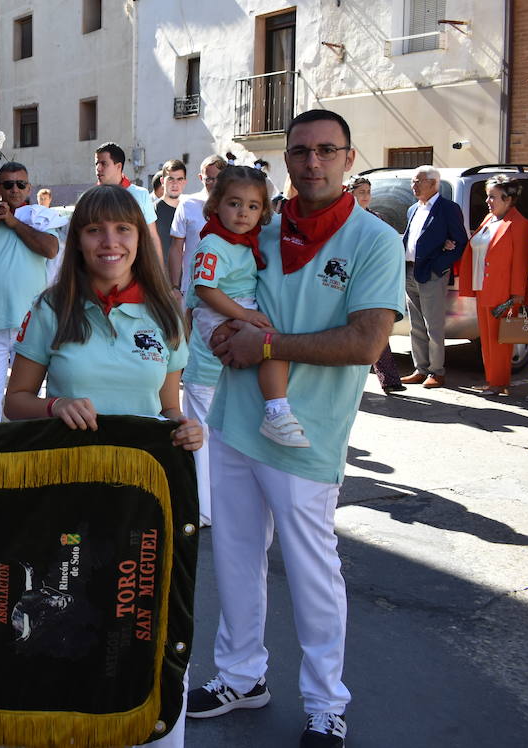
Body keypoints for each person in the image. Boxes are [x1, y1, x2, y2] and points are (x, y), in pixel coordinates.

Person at [186, 109, 403, 748]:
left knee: (313, 571)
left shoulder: (373, 240)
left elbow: (366, 342)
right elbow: (220, 296)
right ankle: (241, 675)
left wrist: (267, 345)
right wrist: (227, 336)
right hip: (233, 419)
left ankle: (325, 703)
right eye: (301, 151)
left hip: (304, 435)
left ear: (349, 157)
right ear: (286, 159)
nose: (313, 162)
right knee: (235, 559)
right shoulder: (264, 227)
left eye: (326, 151)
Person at [4, 183, 203, 748]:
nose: (109, 242)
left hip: (144, 499)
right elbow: (13, 401)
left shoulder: (166, 313)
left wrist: (185, 428)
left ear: (141, 239)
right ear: (78, 239)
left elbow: (168, 406)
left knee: (146, 623)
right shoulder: (53, 307)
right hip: (69, 497)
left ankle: (154, 733)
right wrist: (54, 405)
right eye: (95, 230)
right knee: (69, 626)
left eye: (123, 230)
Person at [188, 166, 307, 447]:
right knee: (271, 345)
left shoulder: (244, 243)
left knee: (273, 347)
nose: (243, 212)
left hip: (232, 317)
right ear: (216, 204)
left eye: (253, 206)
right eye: (234, 203)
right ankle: (277, 412)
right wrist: (244, 315)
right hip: (219, 317)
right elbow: (205, 289)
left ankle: (277, 410)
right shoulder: (214, 244)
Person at [0, 162, 60, 422]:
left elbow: (51, 249)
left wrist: (13, 222)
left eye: (20, 184)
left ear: (29, 188)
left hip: (30, 327)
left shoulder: (39, 217)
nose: (14, 189)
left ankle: (22, 455)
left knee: (27, 399)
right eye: (8, 184)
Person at [456, 176, 528, 396]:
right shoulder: (489, 219)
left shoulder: (520, 224)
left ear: (508, 199)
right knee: (487, 340)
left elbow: (521, 262)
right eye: (487, 195)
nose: (487, 200)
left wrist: (517, 294)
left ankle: (499, 382)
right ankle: (492, 380)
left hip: (503, 291)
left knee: (500, 340)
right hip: (483, 287)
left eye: (493, 196)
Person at [399, 165, 468, 390]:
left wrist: (440, 266)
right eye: (412, 181)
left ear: (433, 183)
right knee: (416, 325)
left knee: (433, 325)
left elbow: (459, 242)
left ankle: (436, 372)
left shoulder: (448, 208)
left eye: (418, 181)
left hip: (431, 274)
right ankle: (420, 369)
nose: (414, 185)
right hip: (411, 271)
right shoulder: (413, 209)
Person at [347, 176, 403, 392]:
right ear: (350, 193)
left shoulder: (377, 218)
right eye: (361, 192)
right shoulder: (343, 219)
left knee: (376, 331)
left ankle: (389, 380)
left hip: (371, 283)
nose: (366, 196)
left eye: (369, 192)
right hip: (346, 281)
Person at [93, 142, 161, 264]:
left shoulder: (140, 194)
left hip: (136, 266)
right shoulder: (91, 198)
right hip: (102, 266)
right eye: (96, 163)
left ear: (118, 166)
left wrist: (160, 272)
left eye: (103, 163)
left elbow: (152, 237)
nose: (98, 168)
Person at [170, 155, 227, 298]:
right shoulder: (187, 204)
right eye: (209, 179)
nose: (214, 183)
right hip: (192, 288)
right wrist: (175, 287)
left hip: (226, 288)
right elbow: (177, 248)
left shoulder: (235, 207)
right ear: (201, 178)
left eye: (219, 178)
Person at [155, 159, 187, 261]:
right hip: (160, 274)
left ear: (185, 182)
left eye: (179, 179)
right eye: (170, 179)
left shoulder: (189, 211)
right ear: (162, 181)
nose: (175, 184)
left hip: (186, 275)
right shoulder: (151, 211)